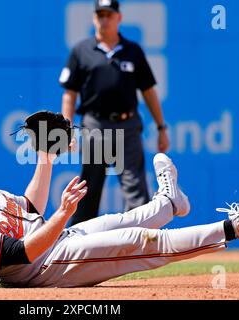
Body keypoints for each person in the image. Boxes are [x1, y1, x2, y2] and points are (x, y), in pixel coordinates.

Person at [0, 151, 239, 288]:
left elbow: (29, 207)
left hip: (59, 242)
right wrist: (62, 214)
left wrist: (45, 157)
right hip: (46, 269)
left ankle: (168, 203)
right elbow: (21, 254)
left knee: (123, 218)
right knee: (139, 241)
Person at [60, 0, 169, 225]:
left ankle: (140, 241)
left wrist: (161, 127)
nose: (104, 18)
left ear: (118, 18)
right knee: (89, 187)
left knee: (135, 187)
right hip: (95, 125)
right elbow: (69, 94)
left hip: (127, 125)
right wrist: (68, 129)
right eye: (100, 14)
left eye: (109, 14)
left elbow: (148, 91)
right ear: (93, 18)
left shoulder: (132, 51)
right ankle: (77, 244)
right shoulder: (82, 51)